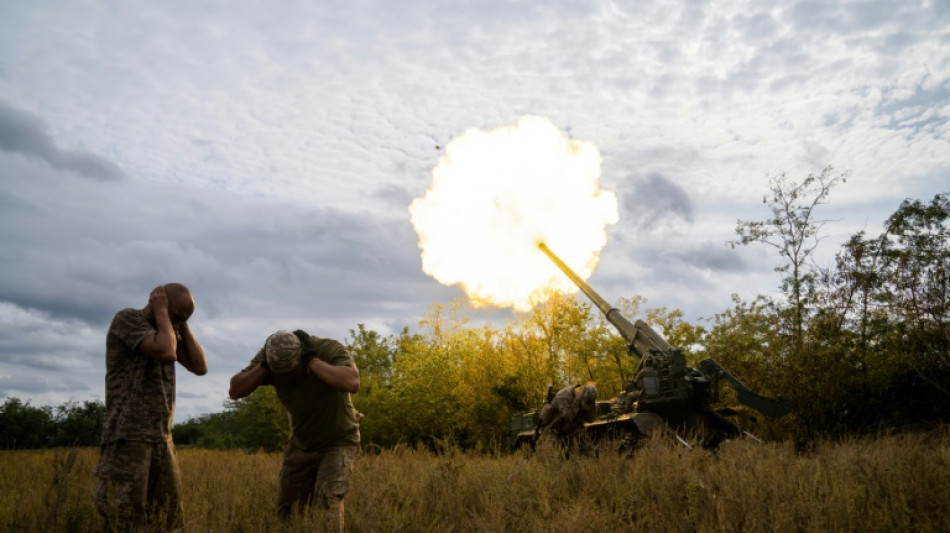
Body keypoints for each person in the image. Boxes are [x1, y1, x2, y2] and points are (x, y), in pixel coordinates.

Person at [94, 283, 208, 531]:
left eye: (185, 318)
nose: (177, 323)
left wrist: (181, 323)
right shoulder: (128, 320)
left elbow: (200, 367)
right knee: (123, 518)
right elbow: (165, 351)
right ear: (160, 305)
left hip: (161, 438)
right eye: (176, 316)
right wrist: (164, 314)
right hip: (128, 437)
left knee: (167, 516)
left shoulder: (169, 330)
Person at [229, 329, 360, 532]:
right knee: (288, 512)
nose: (287, 378)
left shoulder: (327, 349)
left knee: (327, 503)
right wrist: (264, 366)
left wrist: (313, 362)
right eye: (282, 375)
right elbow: (235, 390)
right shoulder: (269, 357)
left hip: (338, 440)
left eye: (292, 372)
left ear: (302, 357)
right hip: (301, 443)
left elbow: (352, 382)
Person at [534, 383, 598, 452]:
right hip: (556, 429)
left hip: (571, 428)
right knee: (557, 456)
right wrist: (576, 401)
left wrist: (592, 405)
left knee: (586, 448)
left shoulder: (587, 396)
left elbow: (591, 419)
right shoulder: (563, 397)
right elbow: (568, 418)